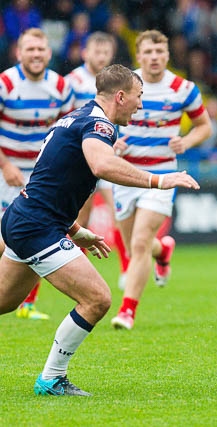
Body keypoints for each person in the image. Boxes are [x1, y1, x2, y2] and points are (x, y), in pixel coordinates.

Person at [0, 64, 200, 396]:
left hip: (27, 218)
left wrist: (77, 230)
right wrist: (158, 181)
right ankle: (52, 379)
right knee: (97, 299)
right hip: (37, 226)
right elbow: (102, 165)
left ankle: (51, 379)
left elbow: (51, 183)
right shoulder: (99, 125)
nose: (140, 105)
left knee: (4, 302)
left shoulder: (75, 118)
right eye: (138, 97)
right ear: (120, 96)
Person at [110, 30, 212, 331]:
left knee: (140, 241)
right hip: (125, 174)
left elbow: (204, 126)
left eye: (160, 52)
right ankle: (163, 250)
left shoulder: (183, 88)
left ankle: (128, 310)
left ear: (167, 55)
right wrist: (114, 140)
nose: (154, 57)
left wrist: (188, 141)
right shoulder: (123, 85)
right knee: (134, 246)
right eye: (149, 52)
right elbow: (105, 119)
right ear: (139, 56)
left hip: (163, 174)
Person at [0, 28, 73, 320]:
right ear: (19, 53)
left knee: (35, 234)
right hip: (4, 171)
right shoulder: (5, 83)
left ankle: (27, 304)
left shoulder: (60, 86)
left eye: (40, 50)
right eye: (30, 49)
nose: (36, 54)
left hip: (40, 176)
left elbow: (67, 129)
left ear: (49, 53)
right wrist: (5, 165)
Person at [66, 31, 130, 288]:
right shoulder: (71, 82)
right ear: (85, 53)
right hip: (82, 157)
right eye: (97, 52)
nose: (102, 57)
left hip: (108, 152)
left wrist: (118, 140)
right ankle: (78, 266)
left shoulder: (118, 81)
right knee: (83, 213)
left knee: (119, 211)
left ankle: (127, 269)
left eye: (106, 52)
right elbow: (65, 117)